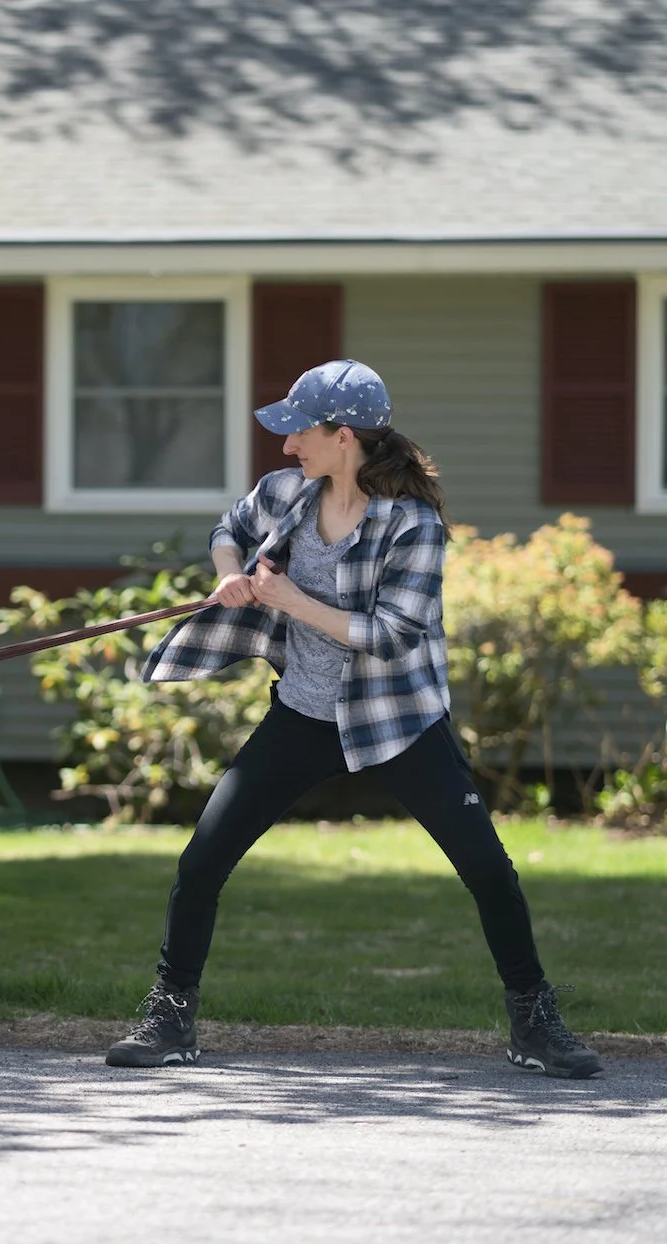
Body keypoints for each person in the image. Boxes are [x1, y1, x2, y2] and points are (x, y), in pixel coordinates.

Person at [105, 359, 602, 1079]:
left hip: (396, 721)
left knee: (488, 870)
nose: (284, 447)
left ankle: (534, 1021)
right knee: (202, 860)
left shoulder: (413, 526)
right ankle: (170, 1018)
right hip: (303, 714)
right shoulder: (285, 494)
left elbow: (395, 634)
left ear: (344, 436)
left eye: (298, 431)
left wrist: (288, 601)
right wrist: (226, 572)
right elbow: (230, 527)